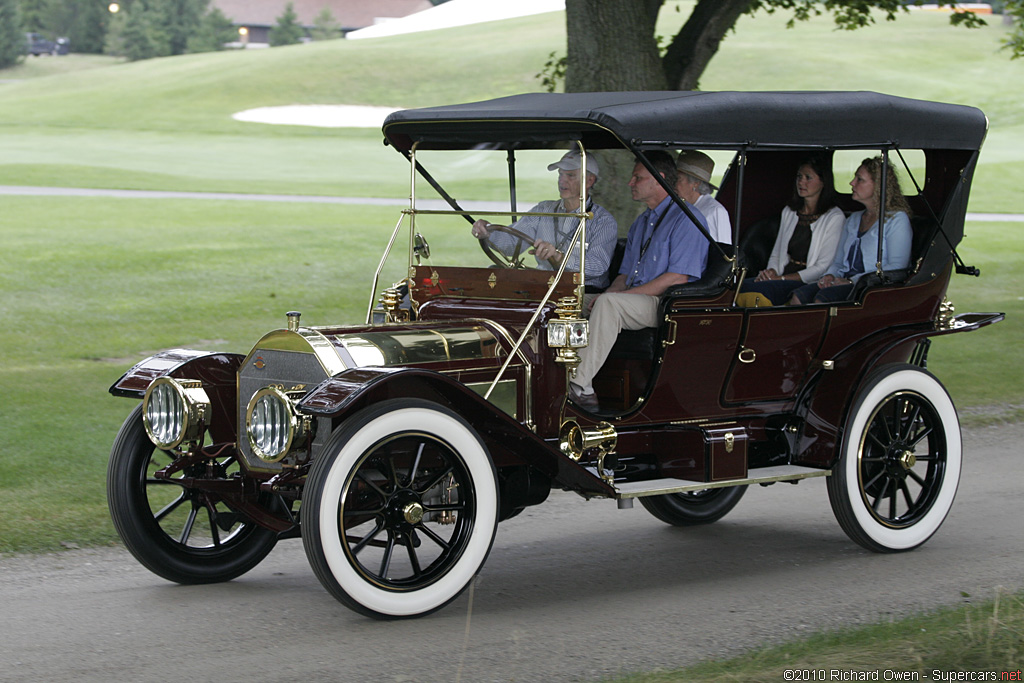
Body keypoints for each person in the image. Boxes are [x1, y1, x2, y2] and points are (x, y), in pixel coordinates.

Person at [569, 151, 708, 410]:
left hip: (666, 305)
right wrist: (607, 293)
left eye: (637, 177)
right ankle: (550, 371)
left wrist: (615, 298)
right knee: (570, 300)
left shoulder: (687, 220)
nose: (630, 183)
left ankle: (580, 385)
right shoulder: (642, 221)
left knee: (610, 305)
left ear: (659, 179)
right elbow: (624, 275)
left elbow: (676, 277)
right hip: (634, 299)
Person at [470, 150, 618, 289]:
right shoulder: (543, 210)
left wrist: (559, 257)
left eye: (570, 176)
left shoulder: (603, 221)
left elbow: (597, 266)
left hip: (582, 292)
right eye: (560, 174)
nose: (562, 181)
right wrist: (488, 232)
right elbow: (511, 244)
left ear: (589, 181)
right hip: (542, 286)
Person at [789, 156, 913, 305]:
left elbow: (897, 266)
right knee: (798, 296)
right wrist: (829, 276)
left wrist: (851, 281)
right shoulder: (853, 219)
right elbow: (838, 262)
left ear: (878, 185)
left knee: (822, 300)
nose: (852, 183)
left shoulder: (896, 220)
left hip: (870, 288)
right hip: (843, 281)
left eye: (859, 179)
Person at [739, 156, 845, 305]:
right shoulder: (789, 211)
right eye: (799, 177)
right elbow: (777, 253)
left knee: (761, 291)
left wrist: (780, 279)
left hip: (808, 281)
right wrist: (771, 272)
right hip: (783, 275)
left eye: (808, 178)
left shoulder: (834, 216)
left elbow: (822, 267)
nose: (801, 182)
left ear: (823, 182)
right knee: (739, 287)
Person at [676, 150, 731, 244]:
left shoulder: (715, 211)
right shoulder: (680, 206)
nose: (673, 183)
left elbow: (724, 250)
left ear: (695, 183)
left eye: (678, 179)